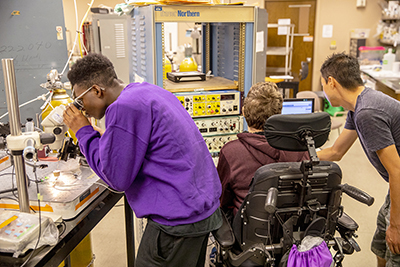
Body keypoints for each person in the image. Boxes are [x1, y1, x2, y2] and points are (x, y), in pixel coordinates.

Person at [62, 53, 222, 267]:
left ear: (97, 91)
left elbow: (116, 179)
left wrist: (82, 132)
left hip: (177, 222)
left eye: (80, 101)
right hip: (200, 210)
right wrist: (107, 138)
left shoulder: (123, 108)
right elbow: (144, 142)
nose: (83, 109)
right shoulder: (147, 91)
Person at [317, 53, 400, 267]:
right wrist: (294, 155)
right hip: (395, 190)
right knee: (381, 245)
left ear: (331, 82)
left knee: (395, 249)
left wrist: (397, 225)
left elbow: (397, 171)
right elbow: (336, 151)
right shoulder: (358, 107)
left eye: (323, 85)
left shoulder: (368, 113)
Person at [217, 82, 309, 217]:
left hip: (247, 230)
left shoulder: (231, 152)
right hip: (291, 227)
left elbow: (222, 198)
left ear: (243, 112)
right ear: (279, 114)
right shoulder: (300, 148)